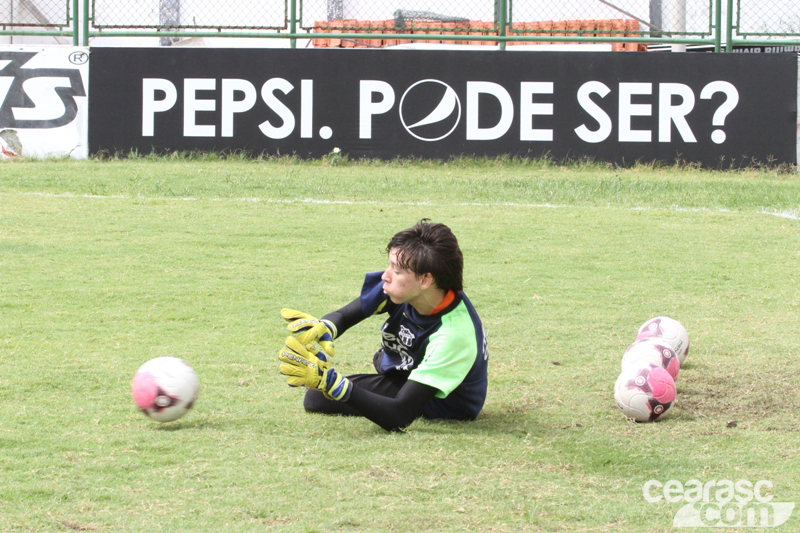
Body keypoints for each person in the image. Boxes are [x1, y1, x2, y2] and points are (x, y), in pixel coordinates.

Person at [278, 219, 488, 432]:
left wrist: (331, 383)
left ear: (426, 279)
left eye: (396, 270)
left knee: (317, 398)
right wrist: (326, 326)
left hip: (445, 402)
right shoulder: (408, 289)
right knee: (322, 395)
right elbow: (346, 315)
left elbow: (399, 415)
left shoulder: (453, 335)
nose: (385, 276)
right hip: (409, 372)